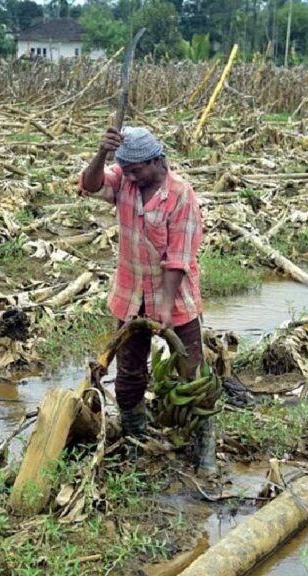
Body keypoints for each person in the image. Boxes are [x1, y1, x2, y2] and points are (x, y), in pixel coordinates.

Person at [78, 126, 215, 470]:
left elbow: (178, 258)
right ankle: (136, 438)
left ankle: (203, 446)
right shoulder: (125, 178)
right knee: (129, 373)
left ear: (157, 161)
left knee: (192, 374)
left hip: (175, 296)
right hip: (130, 294)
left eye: (138, 169)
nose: (132, 176)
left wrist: (165, 309)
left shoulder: (181, 195)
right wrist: (101, 153)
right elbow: (90, 185)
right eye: (127, 170)